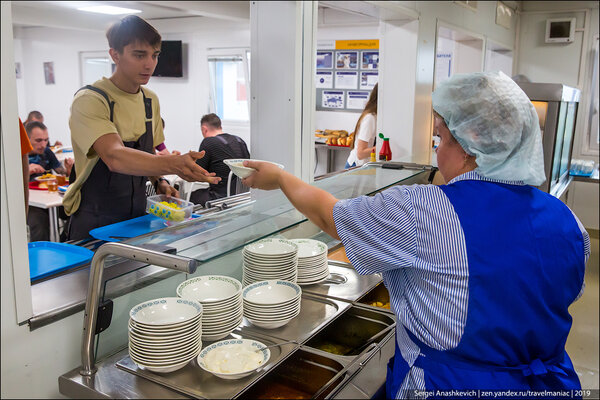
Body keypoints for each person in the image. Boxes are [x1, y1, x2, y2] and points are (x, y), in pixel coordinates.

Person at [242, 71, 589, 398]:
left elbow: (330, 216)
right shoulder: (567, 218)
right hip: (546, 383)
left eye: (440, 137)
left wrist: (282, 179)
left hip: (450, 386)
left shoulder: (424, 210)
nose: (436, 151)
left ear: (471, 145)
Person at [64, 15, 219, 240]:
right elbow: (115, 156)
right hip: (94, 221)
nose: (149, 64)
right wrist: (173, 164)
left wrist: (160, 181)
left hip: (138, 218)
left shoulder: (149, 100)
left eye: (154, 55)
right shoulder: (91, 99)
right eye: (139, 55)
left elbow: (146, 155)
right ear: (114, 54)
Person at [189, 113, 250, 206]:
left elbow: (197, 172)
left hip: (220, 198)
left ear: (204, 129)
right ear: (219, 126)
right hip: (244, 197)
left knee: (187, 196)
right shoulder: (239, 141)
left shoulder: (208, 142)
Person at [345, 83, 377, 168]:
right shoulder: (370, 118)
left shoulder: (375, 116)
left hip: (364, 165)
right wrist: (381, 149)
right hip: (356, 165)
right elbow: (360, 153)